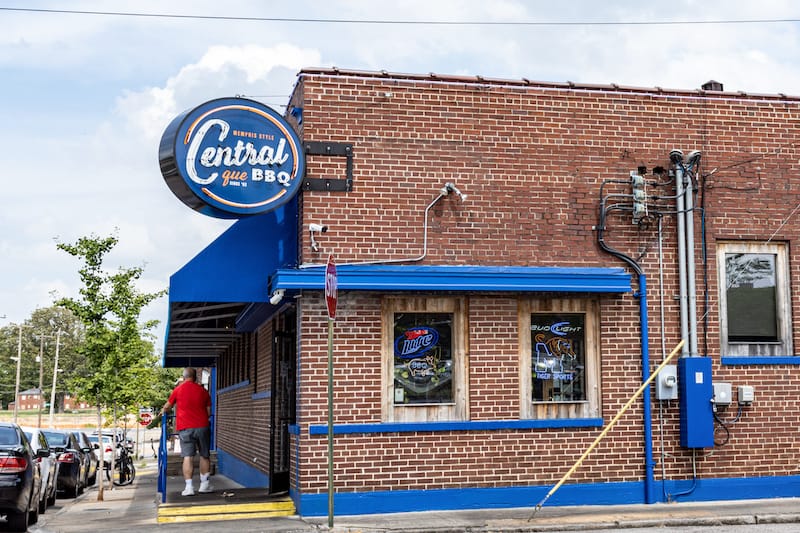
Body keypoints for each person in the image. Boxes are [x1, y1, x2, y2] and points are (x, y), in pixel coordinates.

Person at [161, 367, 213, 496]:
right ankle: (204, 485)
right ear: (195, 377)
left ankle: (189, 487)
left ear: (184, 377)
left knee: (187, 457)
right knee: (204, 455)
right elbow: (209, 412)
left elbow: (167, 406)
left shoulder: (178, 390)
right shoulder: (203, 391)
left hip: (185, 428)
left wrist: (163, 412)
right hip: (202, 426)